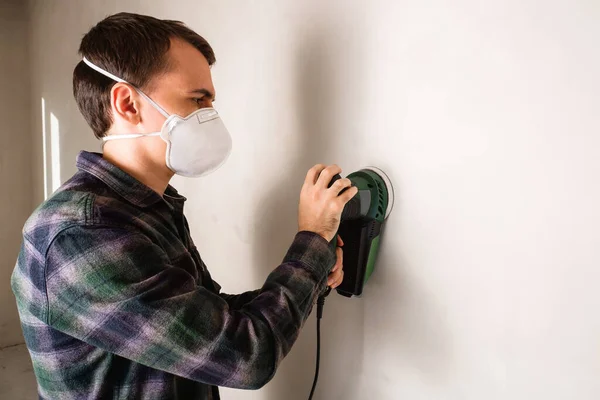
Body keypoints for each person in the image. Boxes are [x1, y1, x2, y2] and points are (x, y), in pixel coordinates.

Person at [10, 12, 358, 400]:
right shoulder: (82, 233)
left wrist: (312, 270)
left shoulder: (146, 208)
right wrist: (311, 240)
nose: (210, 114)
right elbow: (243, 356)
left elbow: (201, 324)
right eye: (198, 98)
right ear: (127, 103)